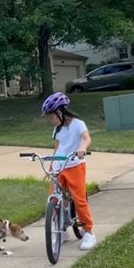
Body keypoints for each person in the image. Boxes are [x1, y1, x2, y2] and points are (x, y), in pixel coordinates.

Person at [41, 92, 96, 250]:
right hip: (59, 166)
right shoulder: (57, 129)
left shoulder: (78, 124)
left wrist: (82, 148)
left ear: (60, 112)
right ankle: (62, 230)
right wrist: (51, 167)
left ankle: (88, 233)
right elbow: (57, 147)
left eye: (52, 116)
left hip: (75, 165)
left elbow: (87, 138)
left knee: (79, 200)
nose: (51, 120)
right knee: (54, 199)